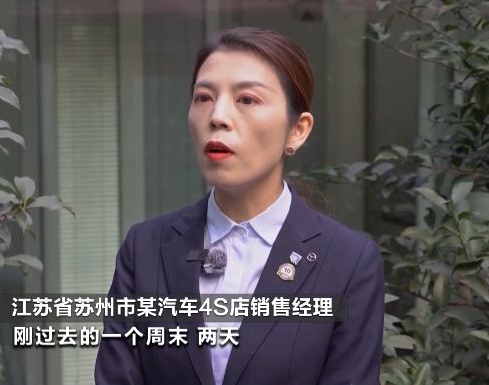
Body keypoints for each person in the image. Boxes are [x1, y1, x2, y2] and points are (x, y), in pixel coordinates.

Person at [94, 27, 384, 385]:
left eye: (246, 99)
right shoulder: (145, 248)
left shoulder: (348, 262)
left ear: (297, 130)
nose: (217, 116)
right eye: (203, 97)